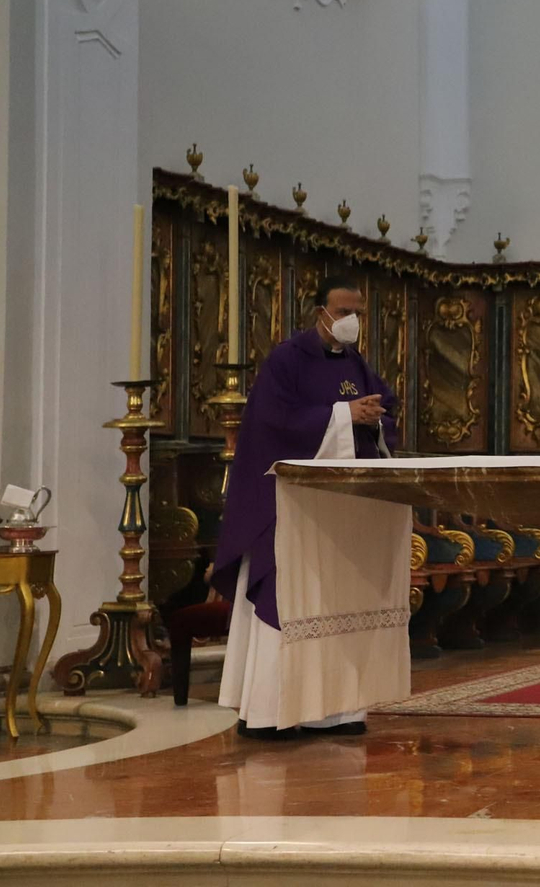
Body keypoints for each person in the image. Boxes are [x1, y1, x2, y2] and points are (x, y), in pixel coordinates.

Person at [212, 275, 398, 739]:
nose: (351, 320)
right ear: (320, 312)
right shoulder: (287, 359)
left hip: (339, 507)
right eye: (343, 311)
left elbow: (384, 409)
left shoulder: (355, 362)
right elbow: (272, 424)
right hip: (289, 507)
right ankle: (268, 712)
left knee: (338, 599)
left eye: (358, 312)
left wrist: (373, 417)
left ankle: (333, 711)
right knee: (287, 598)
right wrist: (344, 414)